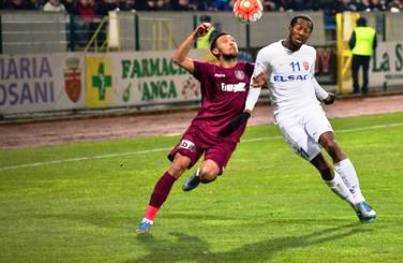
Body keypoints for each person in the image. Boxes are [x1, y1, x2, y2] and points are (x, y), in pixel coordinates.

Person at [207, 15, 377, 223]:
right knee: (323, 166)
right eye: (299, 28)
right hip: (287, 117)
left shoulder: (310, 53)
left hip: (310, 109)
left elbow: (309, 77)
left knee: (331, 144)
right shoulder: (268, 53)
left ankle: (360, 199)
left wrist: (324, 96)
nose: (302, 33)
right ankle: (354, 204)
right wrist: (247, 111)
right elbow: (256, 83)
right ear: (290, 28)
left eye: (307, 30)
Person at [136, 22, 260, 234]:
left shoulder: (249, 70)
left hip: (226, 137)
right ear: (215, 51)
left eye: (233, 40)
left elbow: (276, 75)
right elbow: (178, 59)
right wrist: (195, 35)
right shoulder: (208, 69)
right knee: (177, 166)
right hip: (201, 129)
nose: (231, 42)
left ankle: (199, 174)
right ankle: (148, 219)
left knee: (207, 174)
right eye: (225, 41)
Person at [349, 17, 377, 94]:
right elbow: (375, 44)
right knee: (365, 71)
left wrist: (352, 49)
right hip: (367, 54)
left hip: (357, 54)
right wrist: (370, 50)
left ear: (357, 23)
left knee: (355, 72)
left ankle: (356, 88)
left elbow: (351, 42)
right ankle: (365, 88)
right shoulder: (372, 31)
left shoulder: (356, 30)